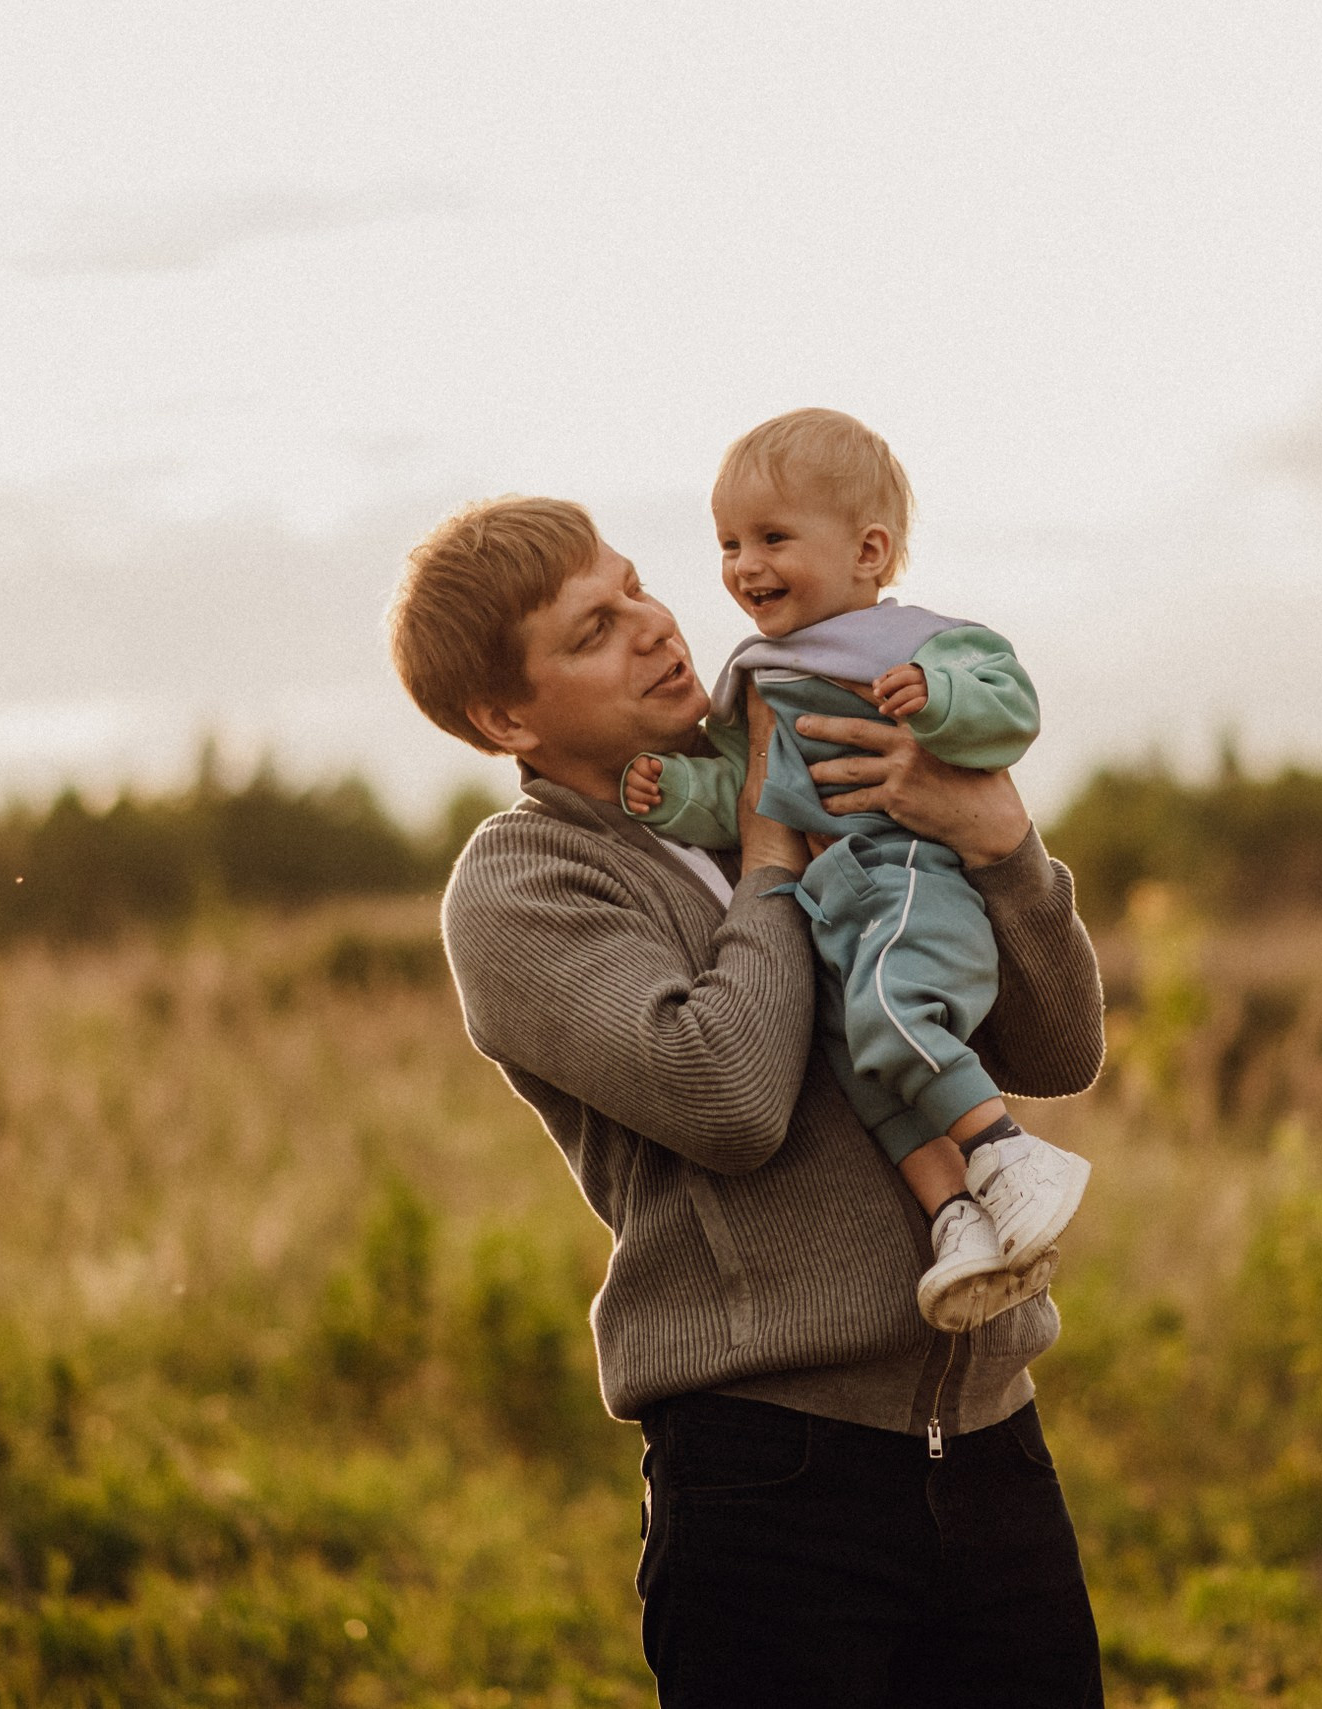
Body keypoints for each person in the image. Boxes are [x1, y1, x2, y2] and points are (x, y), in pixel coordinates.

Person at [387, 493, 1109, 1706]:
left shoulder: (811, 761)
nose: (653, 625)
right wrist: (772, 853)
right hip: (772, 1482)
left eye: (633, 587)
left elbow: (1056, 1046)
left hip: (994, 1446)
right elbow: (726, 1094)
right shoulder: (524, 879)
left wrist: (998, 842)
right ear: (506, 717)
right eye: (592, 629)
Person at [622, 408, 1092, 1332]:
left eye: (772, 538)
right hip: (833, 908)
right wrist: (676, 792)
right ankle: (959, 1218)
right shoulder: (762, 675)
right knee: (864, 1068)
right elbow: (751, 794)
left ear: (869, 550)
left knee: (891, 1013)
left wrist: (940, 699)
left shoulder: (915, 643)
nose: (744, 566)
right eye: (728, 544)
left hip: (912, 876)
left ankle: (1009, 1151)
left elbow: (1010, 708)